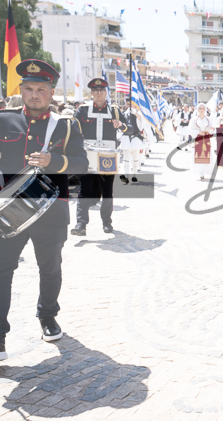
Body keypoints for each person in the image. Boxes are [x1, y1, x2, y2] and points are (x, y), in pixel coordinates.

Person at [0, 59, 89, 359]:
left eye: (41, 89)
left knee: (50, 269)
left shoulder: (66, 125)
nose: (34, 95)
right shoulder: (4, 120)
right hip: (9, 212)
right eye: (29, 89)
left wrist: (55, 162)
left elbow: (82, 164)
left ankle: (48, 316)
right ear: (21, 90)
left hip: (51, 211)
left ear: (51, 93)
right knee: (2, 270)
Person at [72, 78, 128, 235]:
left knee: (107, 191)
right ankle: (81, 224)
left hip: (107, 155)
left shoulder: (114, 110)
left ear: (106, 92)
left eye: (102, 90)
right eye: (95, 90)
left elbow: (129, 128)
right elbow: (73, 130)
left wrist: (121, 125)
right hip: (88, 154)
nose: (98, 93)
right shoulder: (83, 110)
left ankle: (107, 222)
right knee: (84, 190)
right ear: (91, 93)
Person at [189, 102, 215, 181]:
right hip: (198, 138)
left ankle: (205, 171)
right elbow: (190, 129)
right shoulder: (194, 119)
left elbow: (212, 128)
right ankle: (200, 172)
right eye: (200, 108)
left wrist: (209, 130)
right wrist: (198, 132)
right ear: (198, 109)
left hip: (206, 139)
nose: (201, 110)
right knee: (198, 154)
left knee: (206, 154)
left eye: (203, 108)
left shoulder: (208, 119)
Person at [119, 107, 145, 184]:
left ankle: (134, 175)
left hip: (136, 138)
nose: (128, 104)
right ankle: (127, 177)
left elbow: (142, 123)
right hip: (126, 138)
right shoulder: (124, 114)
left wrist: (135, 113)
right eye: (127, 103)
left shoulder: (138, 114)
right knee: (126, 159)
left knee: (135, 159)